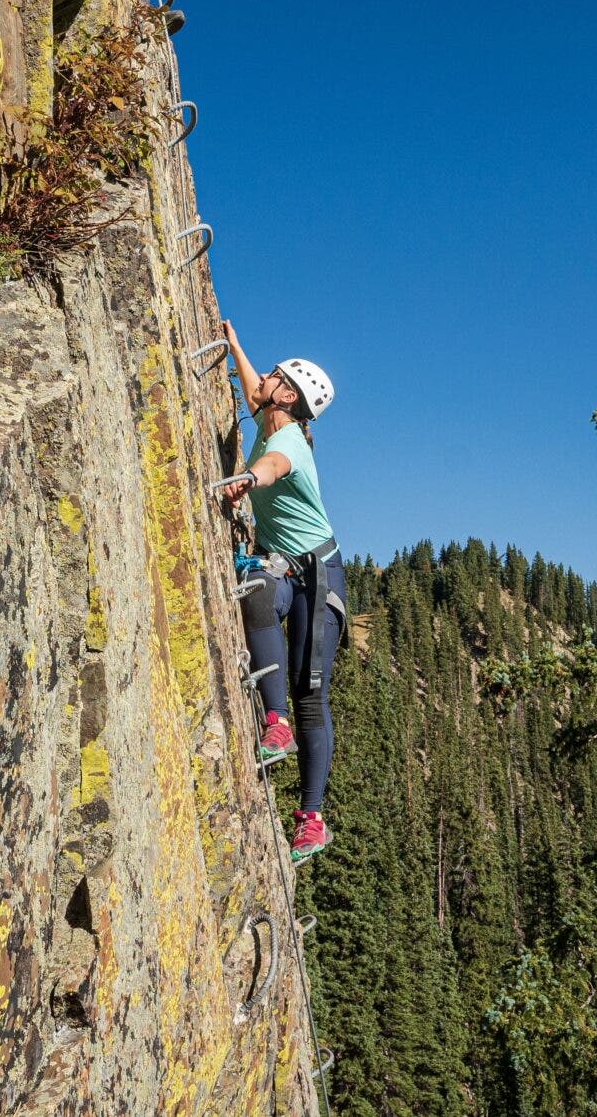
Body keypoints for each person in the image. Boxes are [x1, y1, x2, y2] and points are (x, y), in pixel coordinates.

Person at [212, 319, 343, 863]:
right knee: (257, 587)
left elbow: (272, 465)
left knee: (310, 690)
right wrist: (236, 349)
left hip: (321, 578)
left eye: (272, 374)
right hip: (287, 570)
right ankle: (275, 723)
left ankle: (312, 820)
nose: (261, 377)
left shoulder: (286, 440)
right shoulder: (276, 419)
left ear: (287, 393)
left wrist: (250, 481)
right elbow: (252, 392)